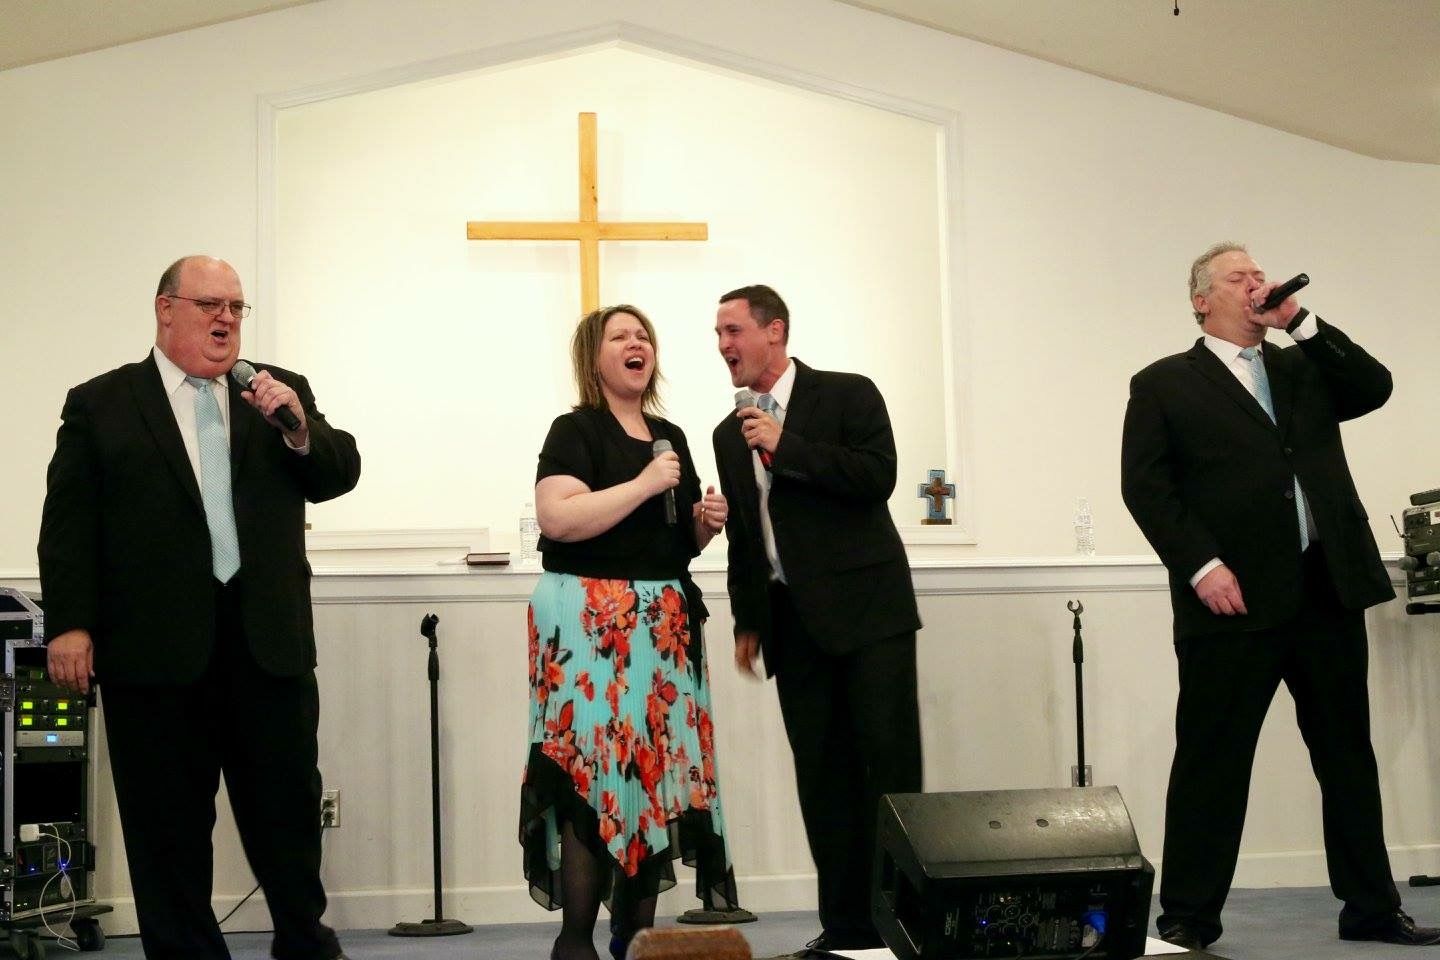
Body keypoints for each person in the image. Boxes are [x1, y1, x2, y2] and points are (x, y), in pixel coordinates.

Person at [38, 256, 361, 960]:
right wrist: (70, 623)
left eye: (237, 307)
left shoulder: (276, 392)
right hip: (154, 655)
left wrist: (298, 429)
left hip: (267, 649)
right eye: (210, 304)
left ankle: (303, 941)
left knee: (287, 818)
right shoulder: (101, 404)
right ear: (166, 309)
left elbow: (338, 474)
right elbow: (68, 526)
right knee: (167, 831)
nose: (226, 319)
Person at [1121, 242, 1439, 949]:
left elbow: (1374, 386)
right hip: (1231, 600)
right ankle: (1188, 916)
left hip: (1326, 587)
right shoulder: (1164, 383)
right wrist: (1202, 566)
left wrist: (1300, 321)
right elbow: (1146, 488)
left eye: (1260, 275)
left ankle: (1371, 908)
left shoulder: (1303, 365)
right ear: (1201, 299)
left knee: (1346, 755)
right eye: (1238, 277)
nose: (1256, 284)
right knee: (1213, 759)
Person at [520, 304, 739, 960]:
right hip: (588, 626)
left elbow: (675, 542)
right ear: (594, 358)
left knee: (650, 780)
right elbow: (558, 519)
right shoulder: (575, 430)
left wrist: (704, 523)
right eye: (620, 336)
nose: (636, 343)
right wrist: (645, 483)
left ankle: (633, 938)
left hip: (660, 630)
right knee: (589, 777)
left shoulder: (670, 436)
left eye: (643, 335)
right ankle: (576, 941)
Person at [710, 285, 922, 955]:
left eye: (733, 330)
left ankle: (903, 926)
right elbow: (746, 535)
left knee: (888, 773)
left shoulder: (849, 395)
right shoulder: (727, 434)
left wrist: (788, 444)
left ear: (774, 331)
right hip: (792, 625)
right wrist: (748, 619)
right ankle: (846, 929)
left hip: (870, 618)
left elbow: (877, 477)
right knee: (823, 780)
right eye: (718, 334)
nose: (723, 345)